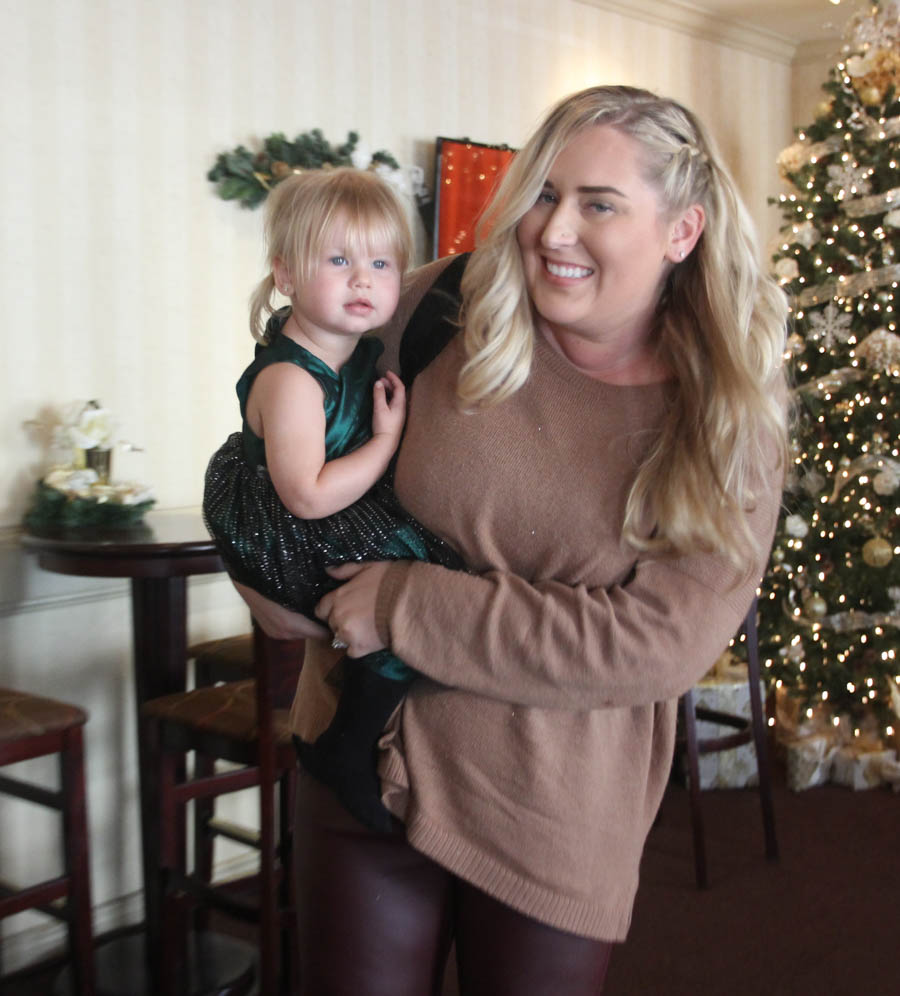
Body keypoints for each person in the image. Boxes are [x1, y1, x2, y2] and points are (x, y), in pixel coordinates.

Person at [236, 85, 789, 995]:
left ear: (682, 232)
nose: (552, 230)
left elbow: (657, 645)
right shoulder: (438, 307)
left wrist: (409, 606)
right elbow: (283, 420)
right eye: (543, 193)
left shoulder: (726, 417)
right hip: (370, 755)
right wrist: (258, 559)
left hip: (549, 814)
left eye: (598, 204)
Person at [203, 167, 464, 831]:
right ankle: (350, 744)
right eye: (339, 260)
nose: (363, 279)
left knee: (429, 580)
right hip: (288, 527)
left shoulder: (350, 350)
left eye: (381, 263)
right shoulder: (293, 377)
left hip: (320, 515)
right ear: (286, 275)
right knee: (418, 588)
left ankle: (357, 730)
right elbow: (309, 494)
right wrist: (385, 440)